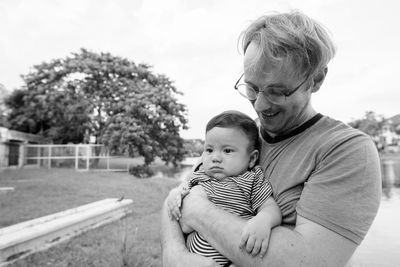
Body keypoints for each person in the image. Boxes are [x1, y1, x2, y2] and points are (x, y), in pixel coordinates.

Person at [161, 10, 381, 267]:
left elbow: (310, 262)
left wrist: (199, 212)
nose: (261, 104)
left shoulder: (345, 150)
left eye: (278, 91)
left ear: (316, 79)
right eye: (252, 88)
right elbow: (178, 196)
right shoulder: (238, 138)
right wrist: (173, 254)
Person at [166, 110, 281, 266]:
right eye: (209, 150)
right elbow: (181, 190)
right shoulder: (200, 175)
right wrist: (175, 194)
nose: (215, 158)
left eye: (227, 151)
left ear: (252, 158)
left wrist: (264, 220)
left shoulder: (252, 180)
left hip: (233, 258)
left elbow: (270, 207)